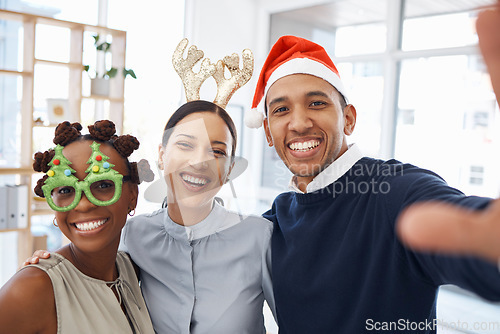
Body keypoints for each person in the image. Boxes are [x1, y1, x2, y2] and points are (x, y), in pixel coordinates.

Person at [244, 3, 500, 333]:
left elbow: (481, 245)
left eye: (317, 103)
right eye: (281, 110)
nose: (299, 122)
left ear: (348, 118)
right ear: (267, 132)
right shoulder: (274, 224)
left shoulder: (397, 192)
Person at [120, 100, 275, 333]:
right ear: (162, 155)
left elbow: (299, 320)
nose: (199, 162)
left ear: (230, 169)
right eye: (185, 145)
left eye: (217, 152)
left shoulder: (260, 237)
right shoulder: (134, 234)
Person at [0, 120, 155, 333]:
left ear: (132, 196)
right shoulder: (32, 288)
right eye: (65, 190)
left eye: (103, 185)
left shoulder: (131, 268)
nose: (83, 204)